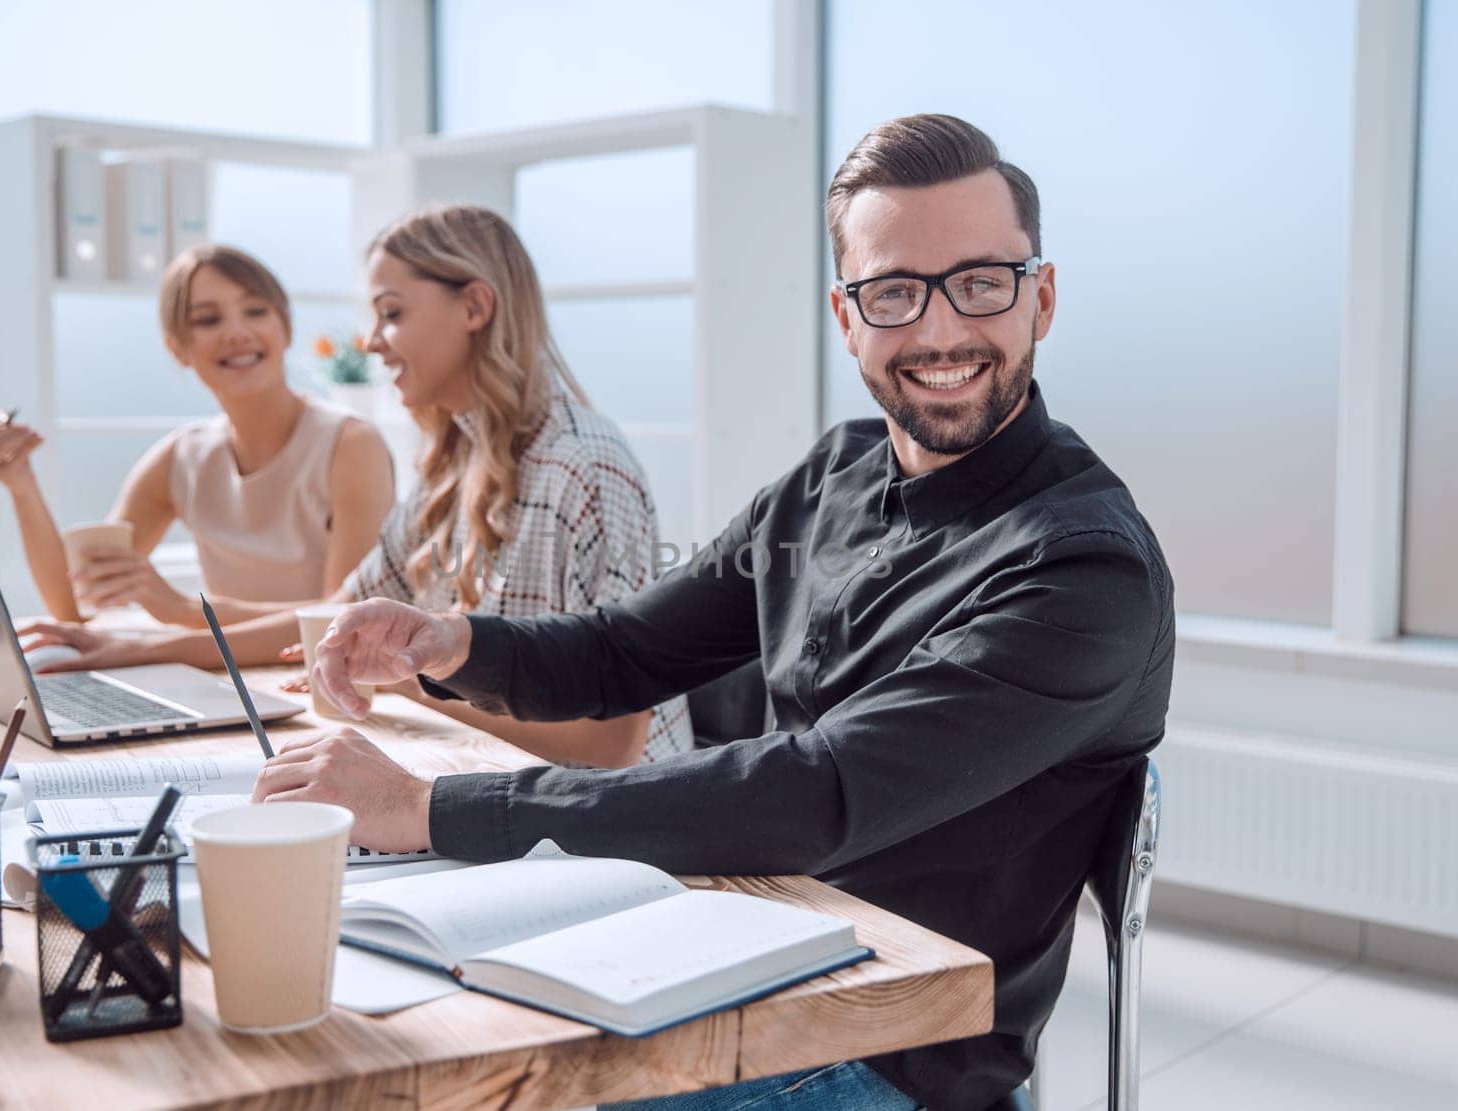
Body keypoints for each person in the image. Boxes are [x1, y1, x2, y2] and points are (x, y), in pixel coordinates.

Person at [258, 115, 1176, 1111]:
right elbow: (626, 649)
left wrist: (426, 808)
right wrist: (451, 641)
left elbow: (813, 794)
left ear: (1038, 295)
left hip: (880, 1047)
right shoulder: (834, 474)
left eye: (981, 281)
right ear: (846, 317)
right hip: (733, 950)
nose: (941, 328)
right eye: (895, 291)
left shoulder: (1085, 569)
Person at [20, 205, 693, 769]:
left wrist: (418, 683)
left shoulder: (583, 469)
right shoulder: (451, 463)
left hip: (611, 837)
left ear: (475, 307)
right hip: (495, 782)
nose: (370, 341)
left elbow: (611, 747)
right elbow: (330, 621)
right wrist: (128, 648)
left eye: (391, 312)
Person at [0, 244, 395, 626]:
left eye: (256, 311)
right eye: (208, 319)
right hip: (235, 681)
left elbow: (341, 624)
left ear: (286, 327)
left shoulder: (351, 445)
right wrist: (22, 487)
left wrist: (182, 610)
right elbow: (77, 602)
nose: (236, 332)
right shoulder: (182, 457)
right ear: (178, 348)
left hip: (324, 690)